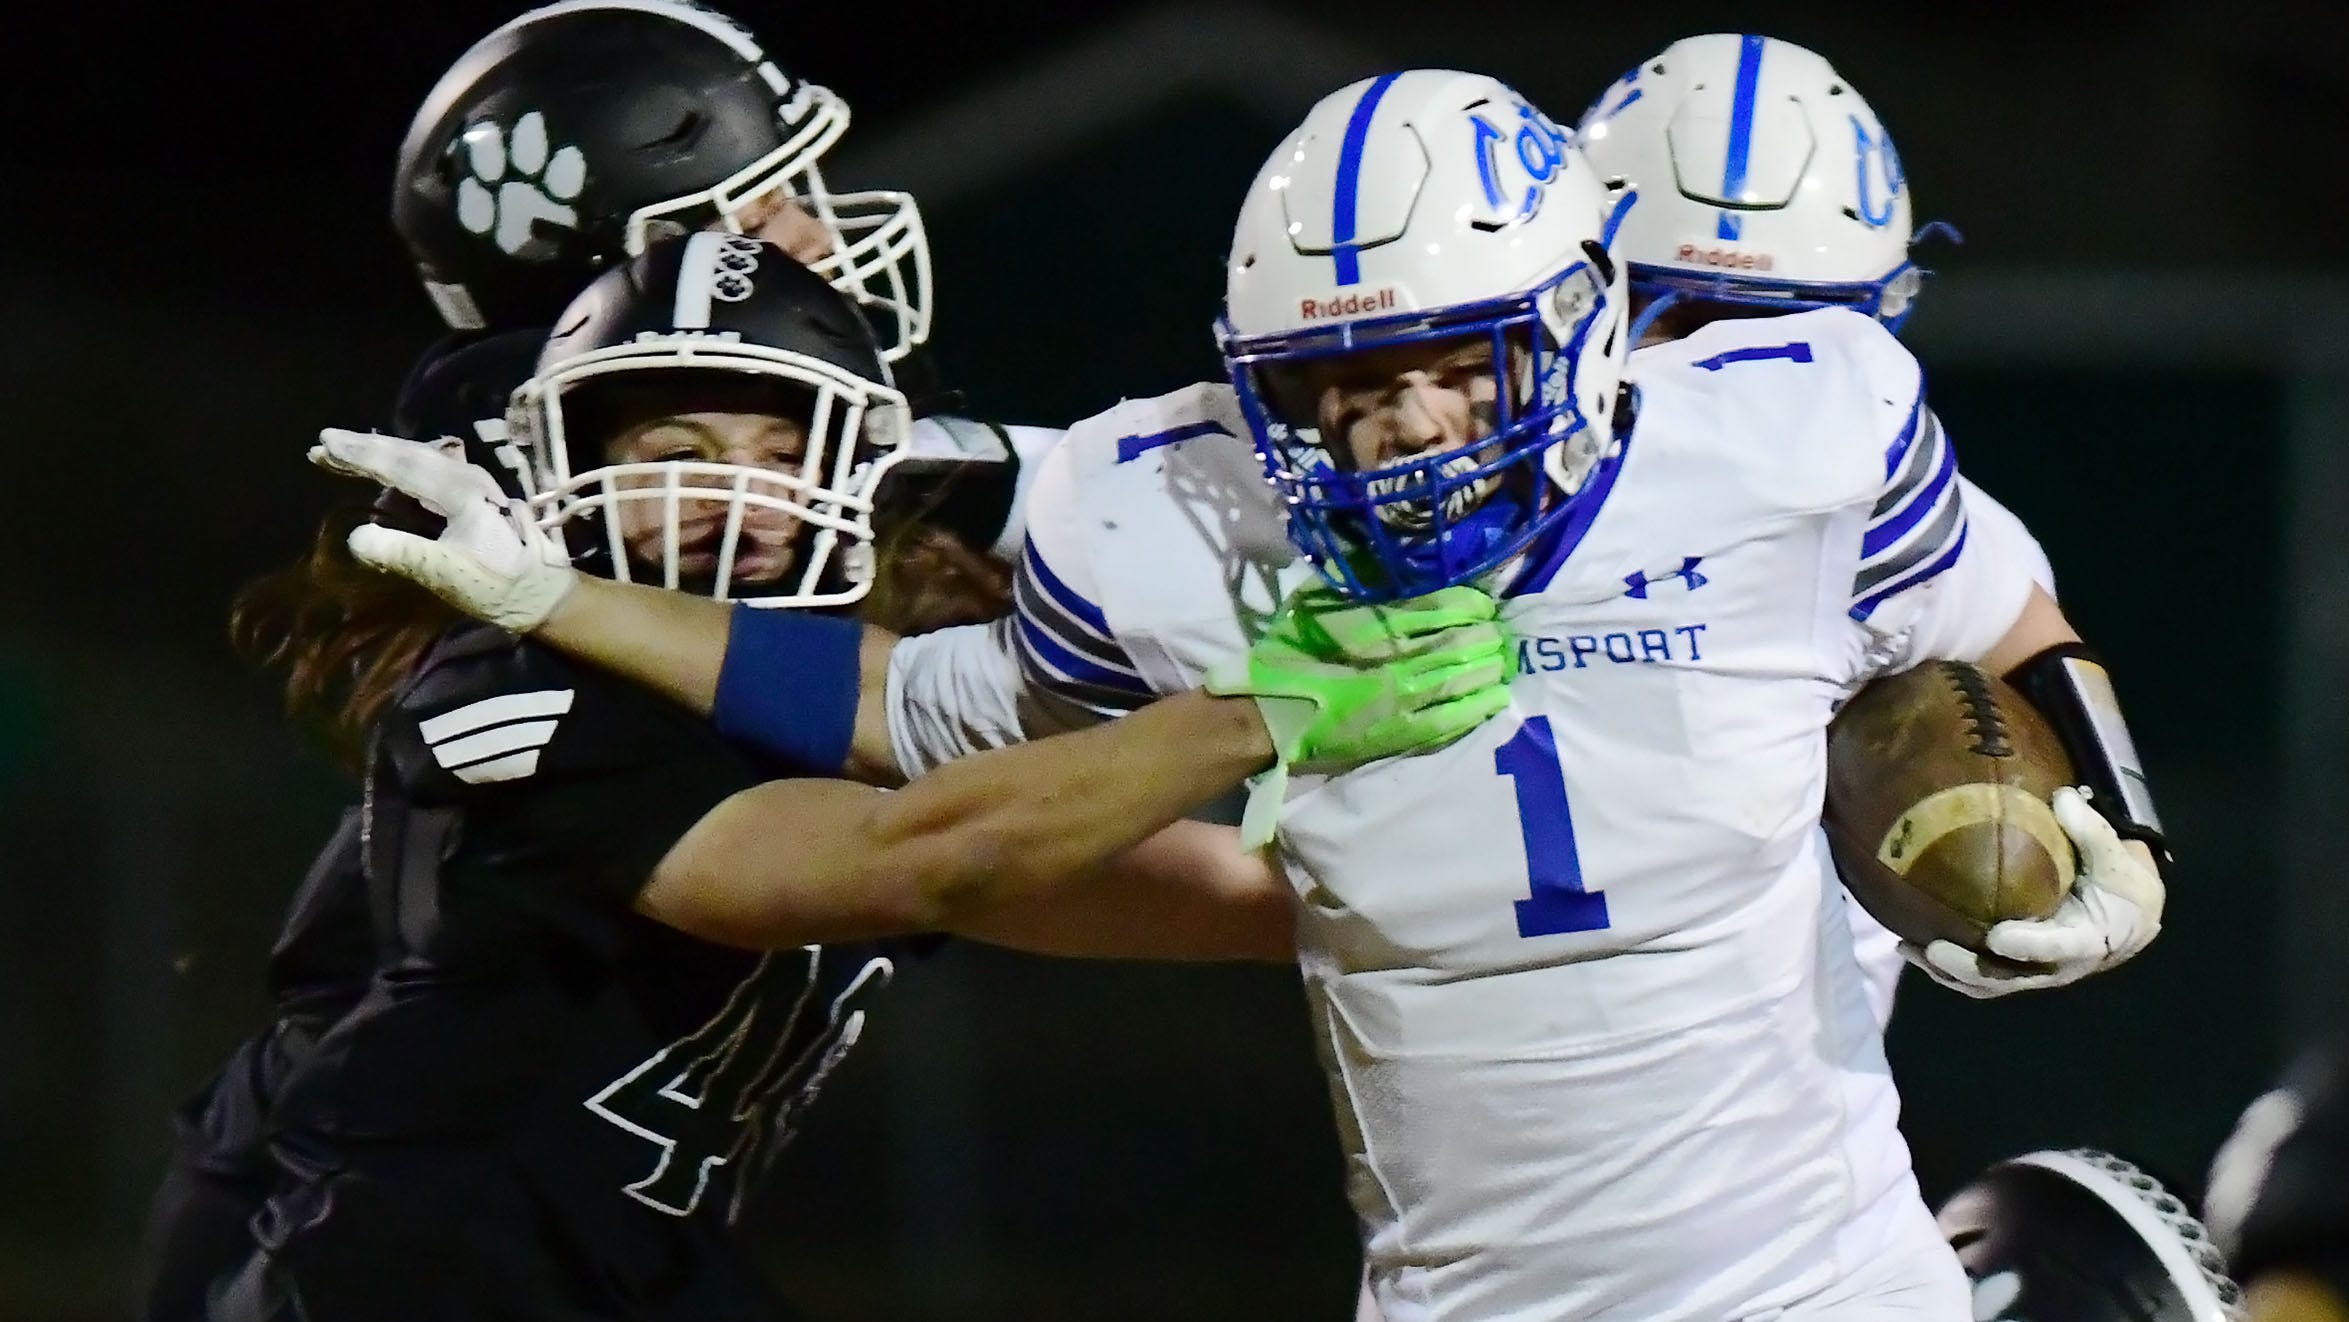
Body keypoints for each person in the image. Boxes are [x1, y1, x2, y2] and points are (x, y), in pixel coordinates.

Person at [327, 68, 2173, 1318]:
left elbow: (2006, 617)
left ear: (1583, 320)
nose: (1398, 432)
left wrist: (2111, 813)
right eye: (1334, 385)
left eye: (1450, 367)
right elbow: (911, 715)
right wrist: (566, 600)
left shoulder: (1785, 438)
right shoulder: (1172, 522)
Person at [210, 231, 1509, 1322]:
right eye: (678, 450)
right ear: (567, 466)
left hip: (636, 1267)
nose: (744, 496)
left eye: (782, 456)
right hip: (415, 1283)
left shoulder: (811, 691)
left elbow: (1146, 882)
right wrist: (1251, 713)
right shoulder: (519, 690)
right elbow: (913, 855)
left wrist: (1526, 891)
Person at [139, 5, 1054, 1314]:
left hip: (574, 1201)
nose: (824, 228)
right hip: (387, 1222)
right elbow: (920, 789)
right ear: (642, 258)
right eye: (776, 196)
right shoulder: (545, 505)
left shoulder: (689, 470)